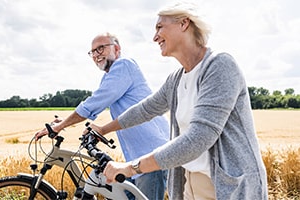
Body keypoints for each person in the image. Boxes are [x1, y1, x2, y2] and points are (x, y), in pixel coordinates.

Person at [90, 3, 268, 200]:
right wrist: (103, 130)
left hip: (225, 187)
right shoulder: (176, 79)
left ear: (184, 23)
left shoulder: (220, 66)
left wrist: (131, 167)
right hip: (189, 181)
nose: (154, 37)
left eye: (159, 27)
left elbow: (197, 139)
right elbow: (144, 110)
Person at [34, 32, 170, 199]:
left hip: (150, 152)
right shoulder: (110, 75)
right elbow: (96, 106)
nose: (96, 54)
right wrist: (66, 121)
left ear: (117, 49)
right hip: (136, 158)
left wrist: (59, 127)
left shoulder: (123, 65)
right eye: (93, 52)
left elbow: (95, 102)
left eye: (101, 48)